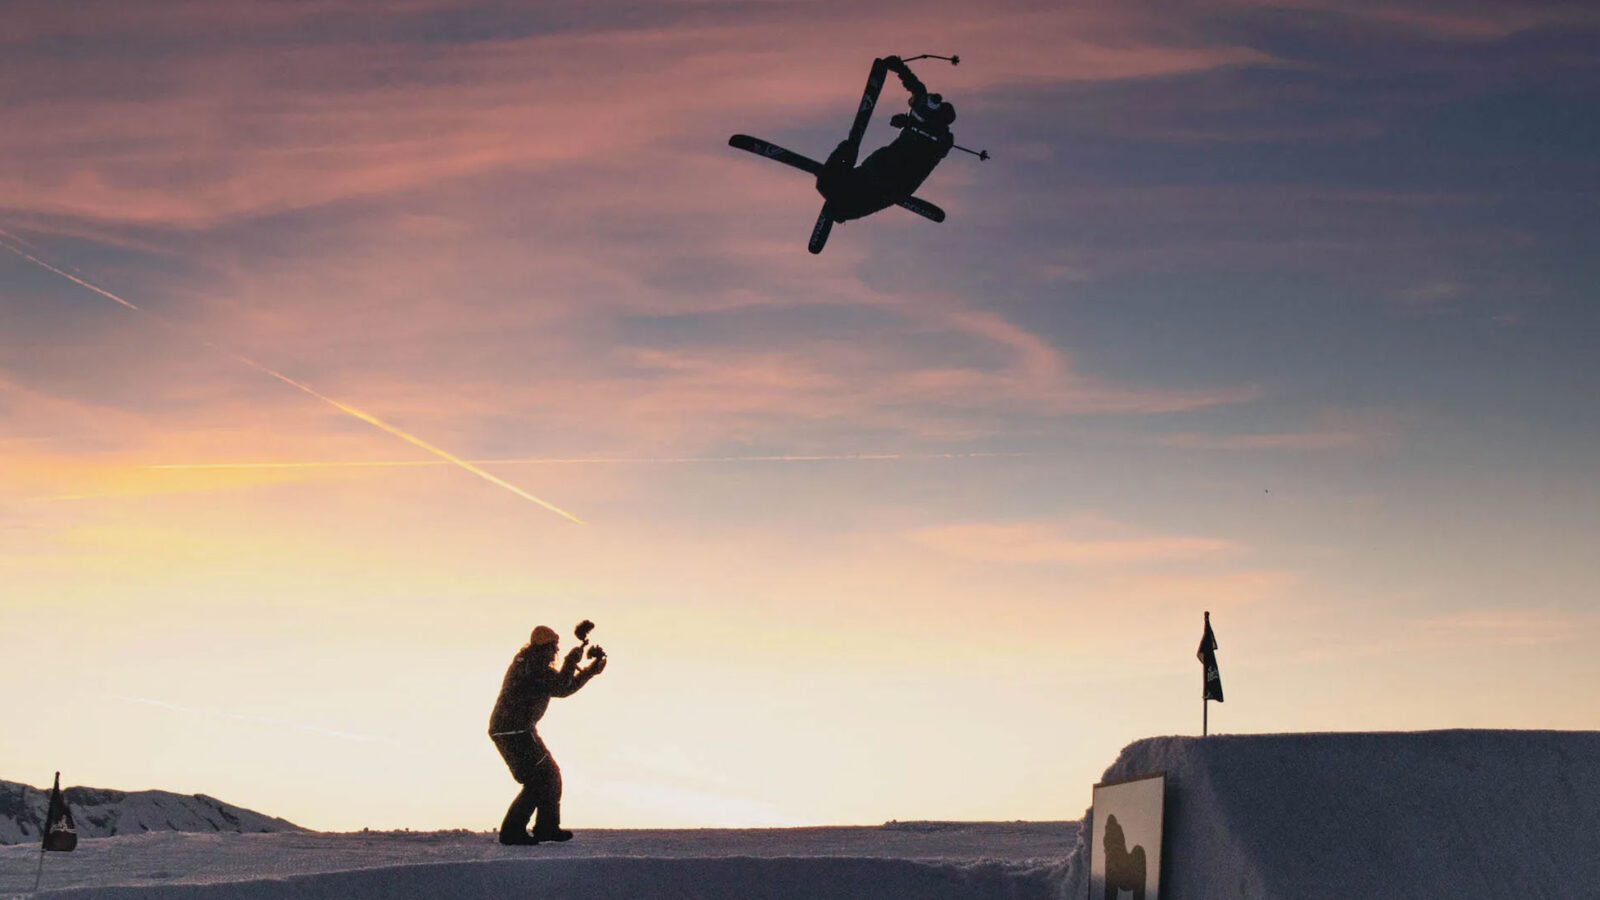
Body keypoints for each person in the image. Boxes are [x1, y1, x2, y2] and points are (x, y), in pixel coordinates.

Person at [488, 624, 607, 845]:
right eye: (554, 648)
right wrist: (572, 662)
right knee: (539, 779)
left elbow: (562, 688)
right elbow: (561, 684)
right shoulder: (533, 666)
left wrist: (589, 670)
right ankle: (515, 831)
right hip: (514, 731)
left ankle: (546, 828)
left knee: (548, 775)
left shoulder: (531, 664)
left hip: (515, 730)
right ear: (546, 647)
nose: (555, 652)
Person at [816, 55, 957, 223]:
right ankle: (845, 165)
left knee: (836, 195)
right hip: (880, 174)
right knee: (830, 188)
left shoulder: (943, 136)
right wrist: (898, 66)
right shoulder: (922, 101)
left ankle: (844, 170)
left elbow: (940, 145)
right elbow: (913, 84)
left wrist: (909, 123)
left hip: (895, 178)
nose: (912, 105)